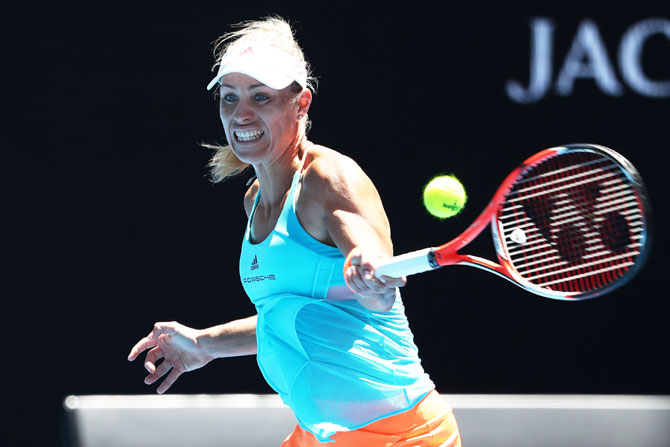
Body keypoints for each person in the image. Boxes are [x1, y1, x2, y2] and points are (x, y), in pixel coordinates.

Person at [128, 16, 461, 446]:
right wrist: (204, 344)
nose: (240, 114)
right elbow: (290, 316)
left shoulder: (329, 178)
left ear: (300, 103)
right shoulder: (254, 200)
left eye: (260, 97)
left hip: (400, 436)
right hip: (319, 435)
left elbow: (376, 285)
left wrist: (371, 277)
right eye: (229, 98)